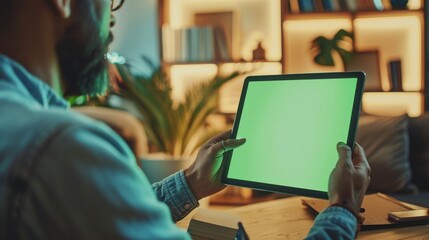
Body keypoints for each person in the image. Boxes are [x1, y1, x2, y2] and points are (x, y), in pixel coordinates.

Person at [0, 0, 370, 239]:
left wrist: (191, 183)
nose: (113, 15)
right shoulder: (59, 147)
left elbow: (102, 214)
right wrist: (342, 209)